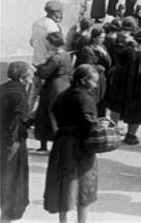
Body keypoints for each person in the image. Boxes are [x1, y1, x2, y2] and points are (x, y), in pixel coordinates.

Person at [44, 64, 100, 223]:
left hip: (62, 144)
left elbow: (54, 112)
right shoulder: (85, 98)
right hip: (80, 147)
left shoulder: (63, 95)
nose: (95, 85)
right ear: (84, 81)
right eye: (93, 81)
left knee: (64, 185)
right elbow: (89, 124)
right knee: (84, 187)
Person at [0, 61, 34, 222]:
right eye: (30, 74)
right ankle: (7, 217)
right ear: (23, 77)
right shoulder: (19, 94)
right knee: (12, 181)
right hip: (12, 143)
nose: (33, 77)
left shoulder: (4, 88)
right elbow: (20, 122)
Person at [34, 32, 73, 152]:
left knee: (47, 114)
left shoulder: (56, 58)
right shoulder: (65, 55)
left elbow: (44, 73)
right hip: (64, 85)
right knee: (59, 115)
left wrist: (36, 68)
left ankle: (46, 144)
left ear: (52, 43)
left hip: (53, 87)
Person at [76, 26, 111, 117]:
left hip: (101, 80)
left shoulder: (103, 48)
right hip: (92, 80)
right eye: (101, 38)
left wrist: (104, 54)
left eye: (104, 38)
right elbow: (88, 67)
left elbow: (109, 63)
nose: (103, 40)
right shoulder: (87, 50)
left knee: (101, 103)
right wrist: (99, 68)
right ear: (95, 38)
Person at [30, 0, 64, 66]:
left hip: (36, 61)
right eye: (60, 12)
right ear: (55, 13)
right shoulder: (51, 25)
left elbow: (31, 42)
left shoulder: (37, 22)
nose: (61, 14)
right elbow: (59, 44)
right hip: (47, 63)